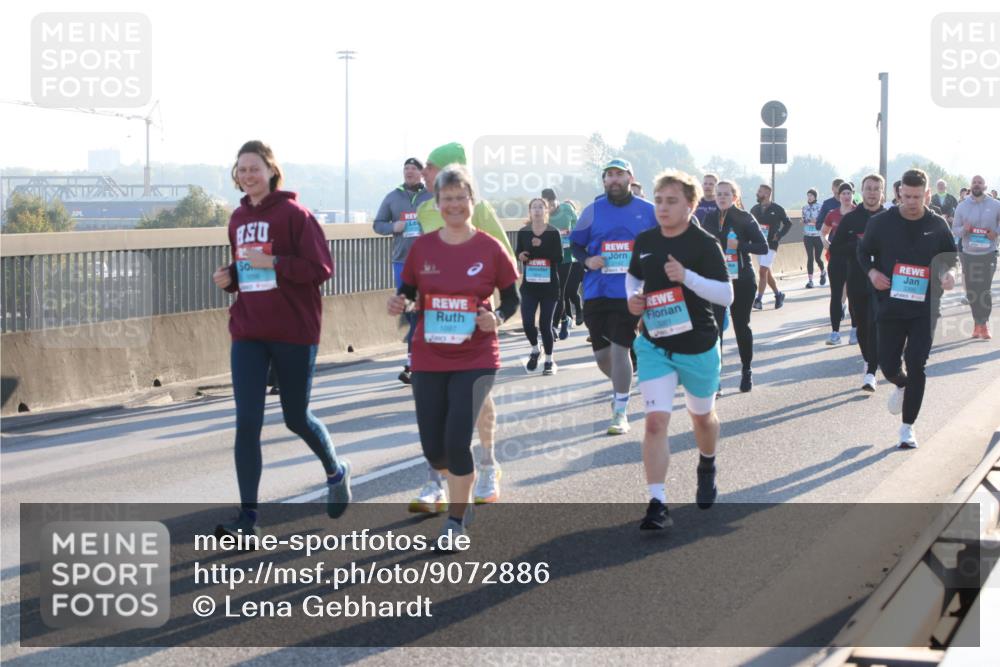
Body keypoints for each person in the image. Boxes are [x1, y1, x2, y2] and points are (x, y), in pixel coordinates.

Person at [211, 140, 351, 538]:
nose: (247, 175)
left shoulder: (296, 215)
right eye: (241, 169)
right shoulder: (236, 218)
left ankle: (335, 471)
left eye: (254, 168)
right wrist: (230, 278)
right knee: (247, 423)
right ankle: (248, 519)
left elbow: (321, 268)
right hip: (249, 331)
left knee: (295, 417)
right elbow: (246, 270)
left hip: (293, 330)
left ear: (271, 170)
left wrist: (273, 262)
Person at [387, 164, 519, 543]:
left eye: (462, 198)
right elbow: (410, 292)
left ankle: (456, 521)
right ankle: (460, 487)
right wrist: (402, 302)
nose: (455, 205)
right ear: (438, 203)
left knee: (457, 437)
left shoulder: (489, 248)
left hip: (476, 357)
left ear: (472, 202)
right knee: (434, 446)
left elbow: (512, 298)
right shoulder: (424, 247)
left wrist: (497, 317)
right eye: (448, 199)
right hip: (429, 355)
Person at [626, 170, 733, 530]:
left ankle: (707, 461)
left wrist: (686, 277)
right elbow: (633, 277)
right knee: (655, 422)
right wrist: (633, 299)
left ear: (690, 205)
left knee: (702, 418)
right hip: (655, 344)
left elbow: (725, 295)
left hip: (698, 346)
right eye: (658, 200)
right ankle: (657, 502)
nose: (663, 207)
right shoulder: (645, 240)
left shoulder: (704, 245)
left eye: (672, 201)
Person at [411, 142, 512, 510]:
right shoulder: (424, 208)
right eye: (425, 167)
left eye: (432, 166)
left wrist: (492, 314)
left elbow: (503, 260)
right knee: (435, 417)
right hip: (434, 319)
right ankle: (435, 479)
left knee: (477, 404)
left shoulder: (481, 208)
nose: (425, 172)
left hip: (474, 327)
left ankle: (487, 464)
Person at [858, 169, 957, 448]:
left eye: (917, 196)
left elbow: (951, 258)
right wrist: (872, 273)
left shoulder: (937, 224)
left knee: (917, 364)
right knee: (888, 366)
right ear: (899, 193)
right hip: (890, 306)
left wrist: (950, 275)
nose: (912, 202)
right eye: (907, 196)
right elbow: (863, 253)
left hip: (924, 309)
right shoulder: (881, 222)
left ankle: (907, 427)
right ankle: (900, 384)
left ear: (926, 194)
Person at [569, 158, 657, 434]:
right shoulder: (592, 211)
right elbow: (575, 245)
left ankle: (620, 411)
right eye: (609, 175)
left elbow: (663, 241)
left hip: (631, 291)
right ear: (604, 181)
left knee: (620, 349)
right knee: (603, 358)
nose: (614, 179)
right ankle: (623, 385)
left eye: (620, 174)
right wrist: (587, 260)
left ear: (630, 177)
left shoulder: (649, 211)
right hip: (597, 291)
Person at [701, 180, 768, 392]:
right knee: (715, 330)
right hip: (717, 280)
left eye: (726, 194)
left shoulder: (745, 218)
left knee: (741, 327)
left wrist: (740, 245)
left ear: (735, 196)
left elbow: (763, 247)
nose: (721, 197)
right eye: (718, 194)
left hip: (742, 280)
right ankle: (715, 378)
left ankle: (746, 371)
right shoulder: (708, 218)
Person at [372, 157, 434, 384]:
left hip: (429, 264)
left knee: (424, 312)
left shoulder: (432, 197)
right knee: (410, 312)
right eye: (406, 168)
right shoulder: (393, 197)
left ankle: (416, 362)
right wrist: (393, 227)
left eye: (413, 168)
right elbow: (377, 224)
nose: (409, 171)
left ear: (421, 172)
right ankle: (414, 361)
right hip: (402, 262)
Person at [832, 174, 886, 392]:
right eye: (868, 188)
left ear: (882, 192)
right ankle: (868, 361)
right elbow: (835, 248)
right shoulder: (851, 219)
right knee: (862, 327)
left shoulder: (890, 217)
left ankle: (871, 372)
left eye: (876, 189)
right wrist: (858, 246)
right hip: (856, 279)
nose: (872, 193)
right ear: (861, 192)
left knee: (876, 324)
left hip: (883, 281)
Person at [516, 198, 563, 374]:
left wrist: (539, 247)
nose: (537, 210)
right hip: (530, 285)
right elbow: (518, 252)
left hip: (549, 286)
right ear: (529, 211)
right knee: (528, 323)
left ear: (546, 211)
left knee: (545, 324)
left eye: (540, 207)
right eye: (534, 207)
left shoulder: (553, 232)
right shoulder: (523, 232)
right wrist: (521, 255)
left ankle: (549, 361)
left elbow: (558, 257)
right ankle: (536, 350)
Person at [953, 174, 1000, 339]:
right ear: (971, 186)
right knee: (973, 290)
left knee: (984, 288)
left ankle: (984, 323)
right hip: (969, 253)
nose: (977, 184)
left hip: (988, 253)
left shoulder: (995, 205)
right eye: (974, 182)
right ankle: (976, 323)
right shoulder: (962, 206)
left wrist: (996, 232)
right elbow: (955, 230)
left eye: (980, 182)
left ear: (985, 186)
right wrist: (964, 229)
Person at [543, 187, 584, 339]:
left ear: (556, 201)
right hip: (551, 258)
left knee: (562, 292)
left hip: (567, 257)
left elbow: (579, 225)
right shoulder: (544, 215)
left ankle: (555, 324)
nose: (551, 207)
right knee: (555, 292)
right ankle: (565, 319)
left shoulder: (566, 209)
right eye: (548, 205)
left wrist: (573, 234)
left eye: (552, 203)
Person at [821, 183, 857, 345]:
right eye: (844, 193)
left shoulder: (858, 213)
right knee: (836, 295)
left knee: (853, 295)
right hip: (836, 257)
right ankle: (835, 333)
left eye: (849, 193)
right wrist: (825, 242)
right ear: (839, 196)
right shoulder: (832, 214)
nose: (846, 196)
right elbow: (823, 232)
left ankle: (854, 331)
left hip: (854, 258)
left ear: (853, 195)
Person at [750, 183, 792, 309]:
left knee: (762, 271)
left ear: (767, 194)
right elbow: (749, 225)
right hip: (758, 245)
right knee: (766, 273)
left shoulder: (777, 208)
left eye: (760, 191)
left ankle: (758, 300)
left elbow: (788, 223)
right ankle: (778, 295)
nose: (757, 193)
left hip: (771, 245)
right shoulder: (754, 209)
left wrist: (779, 234)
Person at [802, 188, 826, 287]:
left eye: (811, 195)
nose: (809, 197)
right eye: (808, 195)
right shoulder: (804, 207)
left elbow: (824, 220)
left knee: (817, 258)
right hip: (807, 235)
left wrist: (816, 221)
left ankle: (823, 272)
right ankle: (810, 281)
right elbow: (804, 219)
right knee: (810, 258)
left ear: (815, 196)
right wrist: (806, 221)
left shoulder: (820, 207)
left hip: (818, 235)